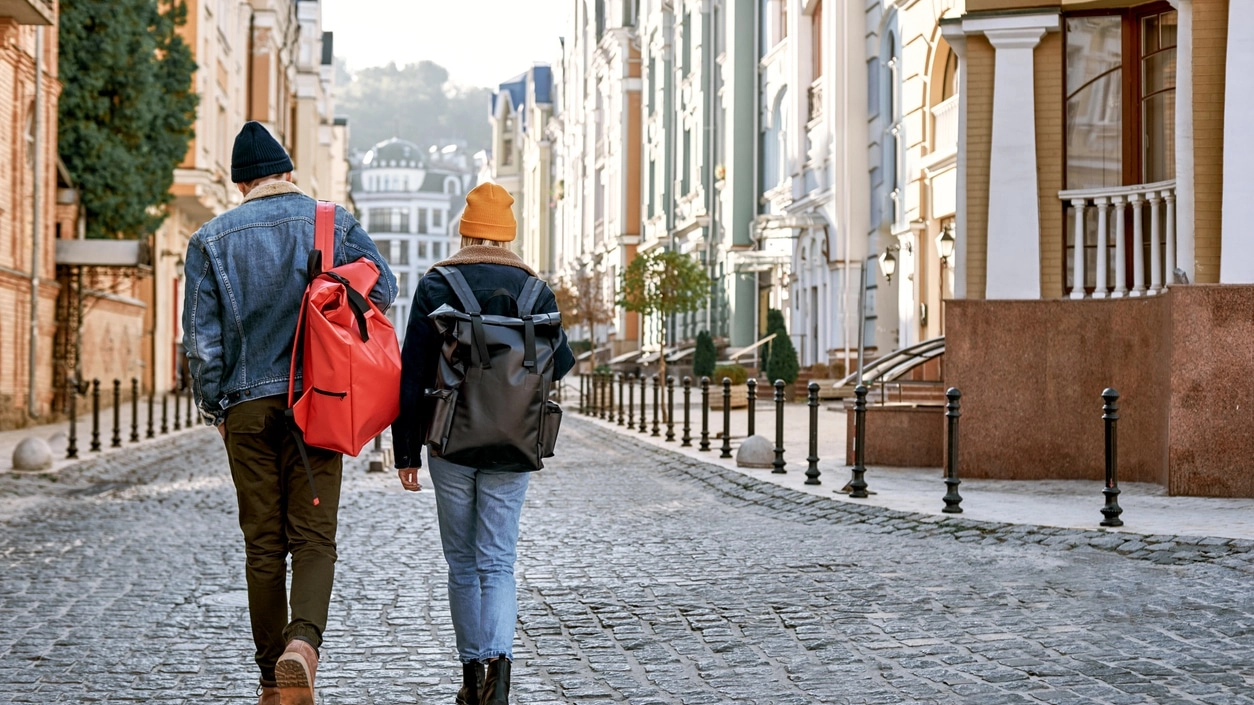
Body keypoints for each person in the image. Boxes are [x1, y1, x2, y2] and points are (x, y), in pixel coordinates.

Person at [183, 121, 396, 705]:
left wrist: (216, 407)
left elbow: (202, 344)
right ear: (288, 174)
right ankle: (303, 645)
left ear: (241, 186)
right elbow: (384, 289)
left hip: (247, 409)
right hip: (318, 401)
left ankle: (268, 675)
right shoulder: (331, 221)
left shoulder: (209, 239)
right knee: (313, 537)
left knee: (262, 544)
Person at [393, 183, 574, 705]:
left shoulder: (437, 285)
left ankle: (472, 679)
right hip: (514, 442)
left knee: (462, 562)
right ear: (509, 235)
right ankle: (500, 682)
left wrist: (405, 452)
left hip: (449, 440)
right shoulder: (537, 291)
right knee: (498, 560)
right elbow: (559, 364)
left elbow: (413, 372)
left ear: (466, 230)